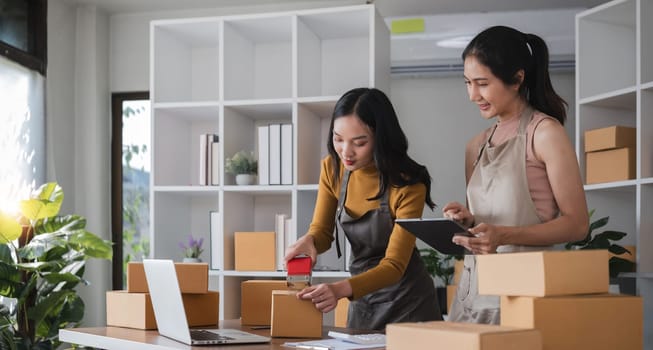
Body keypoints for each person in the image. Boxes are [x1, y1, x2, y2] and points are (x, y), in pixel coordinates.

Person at [443, 25, 589, 324]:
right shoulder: (476, 146)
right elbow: (491, 221)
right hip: (475, 293)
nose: (473, 95)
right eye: (468, 82)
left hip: (526, 291)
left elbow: (577, 225)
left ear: (517, 79)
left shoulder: (545, 133)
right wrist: (469, 221)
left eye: (482, 83)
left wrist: (505, 235)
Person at [284, 87, 442, 330]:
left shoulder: (408, 183)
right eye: (338, 139)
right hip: (362, 299)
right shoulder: (332, 168)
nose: (346, 152)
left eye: (359, 142)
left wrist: (338, 289)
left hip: (408, 303)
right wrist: (310, 241)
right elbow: (323, 232)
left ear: (381, 138)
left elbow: (394, 266)